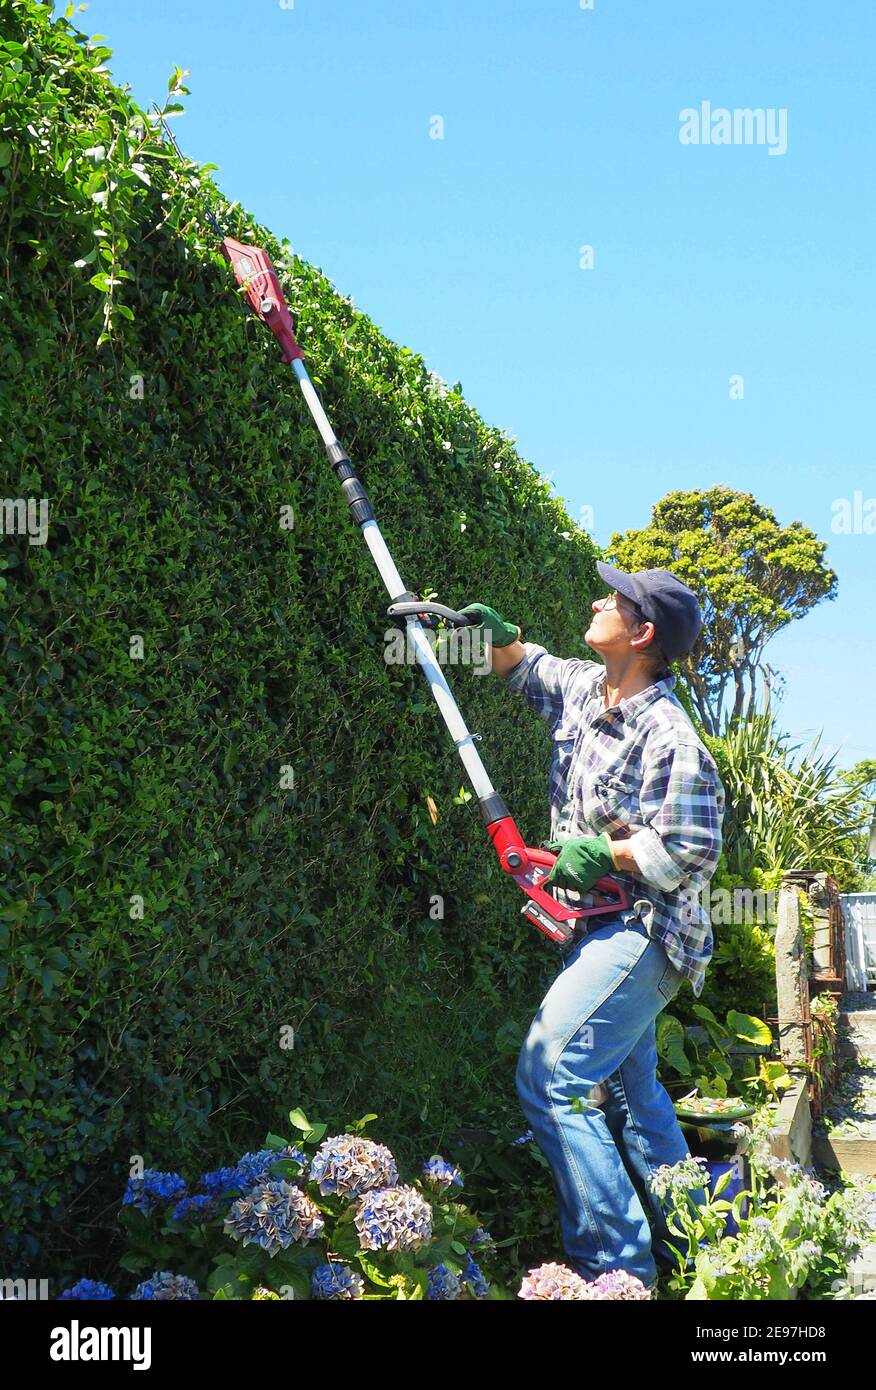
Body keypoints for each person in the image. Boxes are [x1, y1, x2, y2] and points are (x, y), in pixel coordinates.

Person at [460, 562, 725, 1288]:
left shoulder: (670, 735)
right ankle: (704, 1252)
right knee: (637, 1100)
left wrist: (606, 851)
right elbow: (529, 672)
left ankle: (613, 1272)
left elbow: (691, 850)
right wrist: (500, 638)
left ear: (641, 634)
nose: (596, 600)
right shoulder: (587, 689)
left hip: (648, 929)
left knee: (552, 1075)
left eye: (614, 599)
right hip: (598, 928)